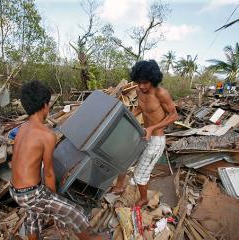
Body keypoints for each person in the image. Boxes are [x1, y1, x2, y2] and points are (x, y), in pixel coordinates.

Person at [10, 80, 104, 240]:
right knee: (75, 213)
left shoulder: (23, 127)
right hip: (30, 194)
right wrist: (55, 201)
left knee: (34, 213)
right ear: (45, 105)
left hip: (15, 191)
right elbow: (48, 174)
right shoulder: (46, 134)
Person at [110, 60, 178, 206]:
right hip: (142, 134)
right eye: (139, 82)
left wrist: (153, 128)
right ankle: (120, 186)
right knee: (123, 159)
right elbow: (142, 108)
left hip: (156, 139)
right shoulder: (139, 90)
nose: (141, 86)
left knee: (140, 174)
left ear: (153, 79)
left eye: (145, 82)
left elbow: (173, 115)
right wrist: (128, 117)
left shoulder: (161, 94)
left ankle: (143, 198)